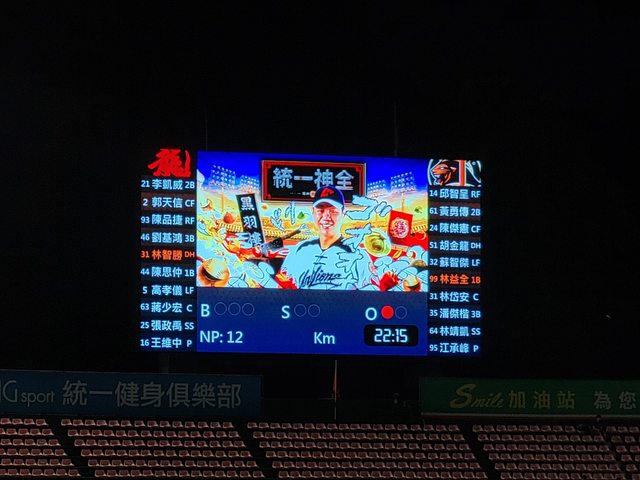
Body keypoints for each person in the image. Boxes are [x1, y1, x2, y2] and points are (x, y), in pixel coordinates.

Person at [278, 185, 373, 289]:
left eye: (333, 211)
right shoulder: (299, 250)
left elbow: (373, 293)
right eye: (320, 211)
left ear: (343, 214)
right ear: (313, 212)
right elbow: (281, 288)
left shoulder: (358, 255)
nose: (326, 217)